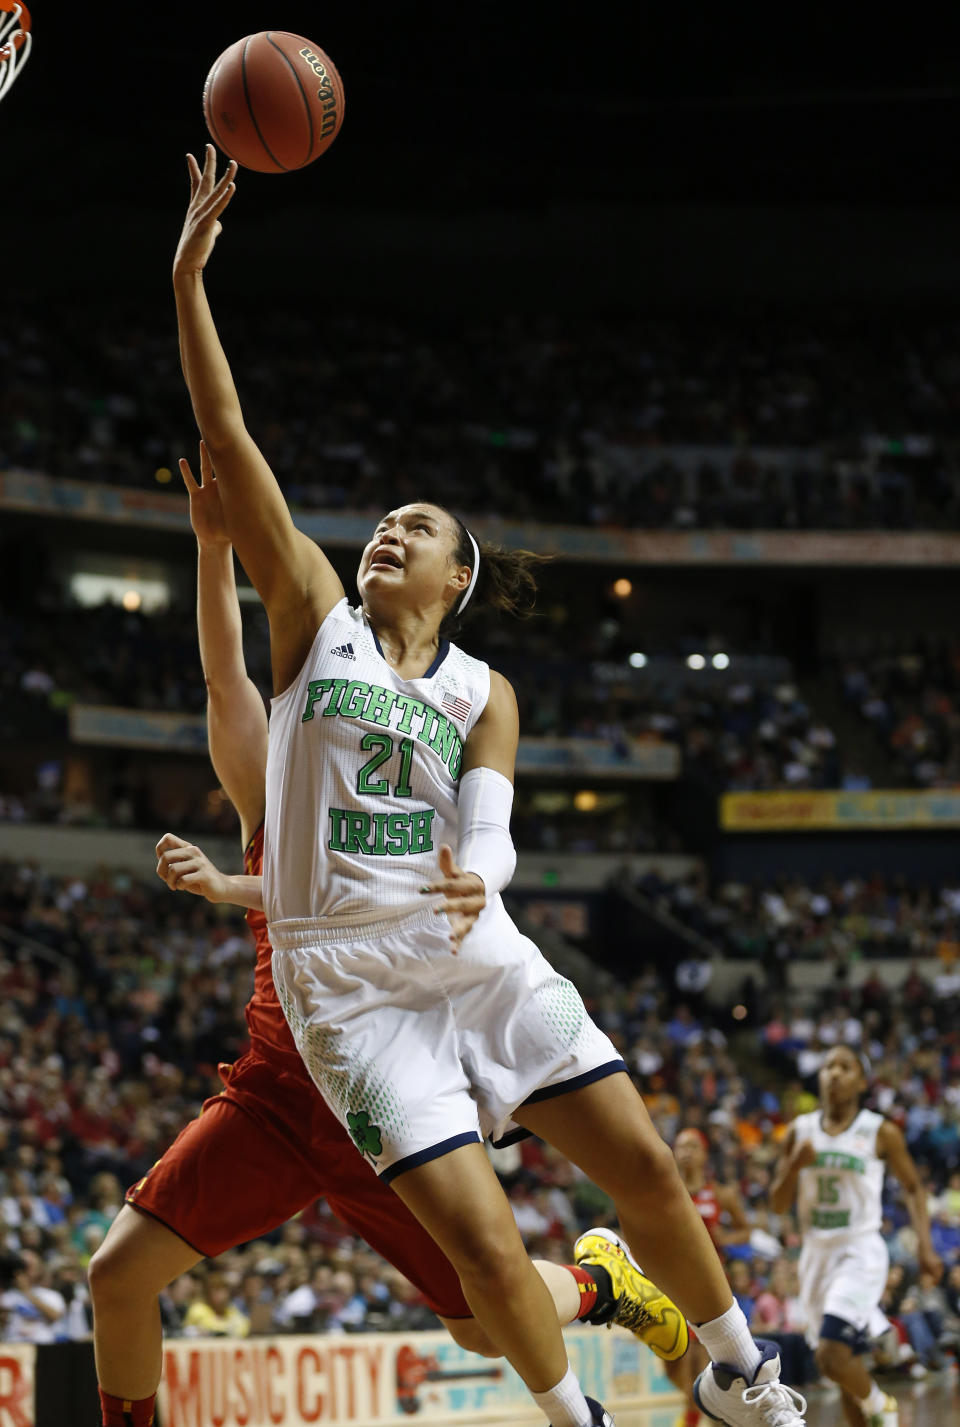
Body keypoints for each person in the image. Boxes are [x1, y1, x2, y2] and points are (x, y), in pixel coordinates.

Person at [170, 142, 808, 1427]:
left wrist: (484, 878)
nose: (384, 532)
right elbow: (228, 436)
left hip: (470, 941)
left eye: (414, 526)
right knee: (482, 1245)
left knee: (647, 1162)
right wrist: (187, 276)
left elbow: (491, 832)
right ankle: (581, 1420)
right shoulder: (311, 622)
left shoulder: (484, 689)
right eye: (381, 523)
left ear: (455, 575)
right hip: (344, 980)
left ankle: (742, 1372)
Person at [89, 445, 685, 1427]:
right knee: (118, 1273)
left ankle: (599, 1283)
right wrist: (212, 549)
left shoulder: (406, 798)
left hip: (393, 1093)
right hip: (284, 1091)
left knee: (486, 1324)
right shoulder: (269, 788)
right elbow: (222, 679)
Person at [770, 1045, 943, 1427]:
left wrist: (927, 1249)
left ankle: (882, 1404)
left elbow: (914, 1188)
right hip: (815, 1256)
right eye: (828, 1065)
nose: (833, 1073)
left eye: (845, 1067)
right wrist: (794, 1166)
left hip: (860, 1250)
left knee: (830, 1357)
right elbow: (778, 1205)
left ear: (862, 1082)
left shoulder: (881, 1131)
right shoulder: (799, 1131)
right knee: (843, 1368)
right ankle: (877, 1354)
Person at [663, 1127, 758, 1427]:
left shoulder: (720, 1193)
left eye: (693, 1145)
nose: (686, 1151)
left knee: (695, 1358)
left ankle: (695, 1416)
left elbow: (746, 1229)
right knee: (670, 1361)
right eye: (681, 1146)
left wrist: (726, 1239)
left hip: (706, 1282)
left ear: (704, 1154)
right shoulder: (665, 1188)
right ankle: (710, 1408)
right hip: (670, 1282)